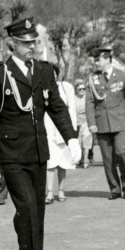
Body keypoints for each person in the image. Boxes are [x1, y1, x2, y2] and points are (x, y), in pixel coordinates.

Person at [0, 17, 80, 250]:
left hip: (37, 152)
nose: (31, 46)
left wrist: (72, 138)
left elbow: (56, 107)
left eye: (33, 41)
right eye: (25, 42)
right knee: (27, 208)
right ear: (12, 44)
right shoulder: (0, 74)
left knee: (37, 212)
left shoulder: (44, 71)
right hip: (10, 154)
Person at [85, 46, 125, 199]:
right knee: (107, 158)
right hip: (101, 123)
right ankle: (115, 188)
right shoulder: (92, 78)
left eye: (98, 60)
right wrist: (91, 122)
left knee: (122, 153)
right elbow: (89, 102)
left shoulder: (123, 76)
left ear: (107, 59)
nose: (96, 63)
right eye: (95, 60)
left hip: (120, 122)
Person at [44, 65, 77, 203]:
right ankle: (50, 192)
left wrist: (72, 134)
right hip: (48, 129)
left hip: (62, 130)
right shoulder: (42, 88)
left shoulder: (66, 87)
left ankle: (61, 191)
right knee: (50, 162)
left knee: (63, 163)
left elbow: (72, 110)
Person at [74, 79, 93, 168]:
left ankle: (85, 160)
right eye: (80, 89)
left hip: (86, 122)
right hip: (76, 122)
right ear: (76, 90)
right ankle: (79, 158)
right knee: (78, 142)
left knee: (87, 140)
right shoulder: (73, 98)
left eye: (83, 89)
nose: (82, 91)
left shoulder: (88, 97)